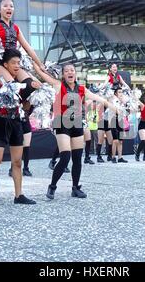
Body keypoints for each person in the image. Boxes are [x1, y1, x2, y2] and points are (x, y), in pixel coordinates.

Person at [34, 62, 117, 200]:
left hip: (77, 124)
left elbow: (98, 98)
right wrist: (35, 63)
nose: (69, 72)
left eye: (72, 70)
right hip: (62, 124)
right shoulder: (58, 85)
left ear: (75, 73)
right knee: (65, 156)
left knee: (77, 158)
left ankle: (75, 188)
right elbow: (42, 74)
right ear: (63, 75)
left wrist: (112, 106)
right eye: (66, 71)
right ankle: (52, 186)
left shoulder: (82, 89)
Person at [0, 49, 37, 210]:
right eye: (13, 63)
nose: (17, 65)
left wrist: (31, 100)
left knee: (17, 162)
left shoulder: (19, 81)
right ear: (5, 65)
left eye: (19, 63)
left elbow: (25, 107)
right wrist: (4, 93)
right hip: (1, 122)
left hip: (16, 123)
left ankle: (18, 195)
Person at [0, 0, 45, 83]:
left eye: (11, 6)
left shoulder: (16, 28)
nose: (9, 8)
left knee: (29, 85)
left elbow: (28, 47)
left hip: (13, 63)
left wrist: (40, 64)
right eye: (5, 6)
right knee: (12, 87)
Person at [108, 87, 128, 163]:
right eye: (119, 92)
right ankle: (113, 157)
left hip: (121, 121)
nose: (121, 93)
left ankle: (120, 157)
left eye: (121, 92)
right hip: (114, 120)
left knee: (120, 141)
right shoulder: (113, 100)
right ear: (116, 93)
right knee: (115, 140)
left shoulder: (123, 102)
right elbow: (115, 110)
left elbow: (125, 113)